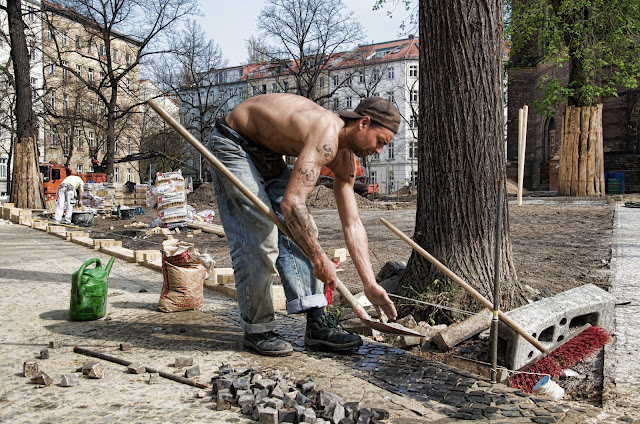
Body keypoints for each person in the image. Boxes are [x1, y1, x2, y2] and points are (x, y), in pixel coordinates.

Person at [208, 93, 400, 357]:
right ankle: (258, 329)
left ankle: (316, 322)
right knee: (260, 235)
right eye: (380, 141)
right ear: (364, 123)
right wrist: (319, 257)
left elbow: (352, 223)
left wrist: (369, 283)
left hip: (270, 155)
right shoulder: (326, 132)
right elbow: (291, 204)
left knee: (306, 228)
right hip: (233, 142)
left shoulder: (345, 159)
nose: (378, 150)